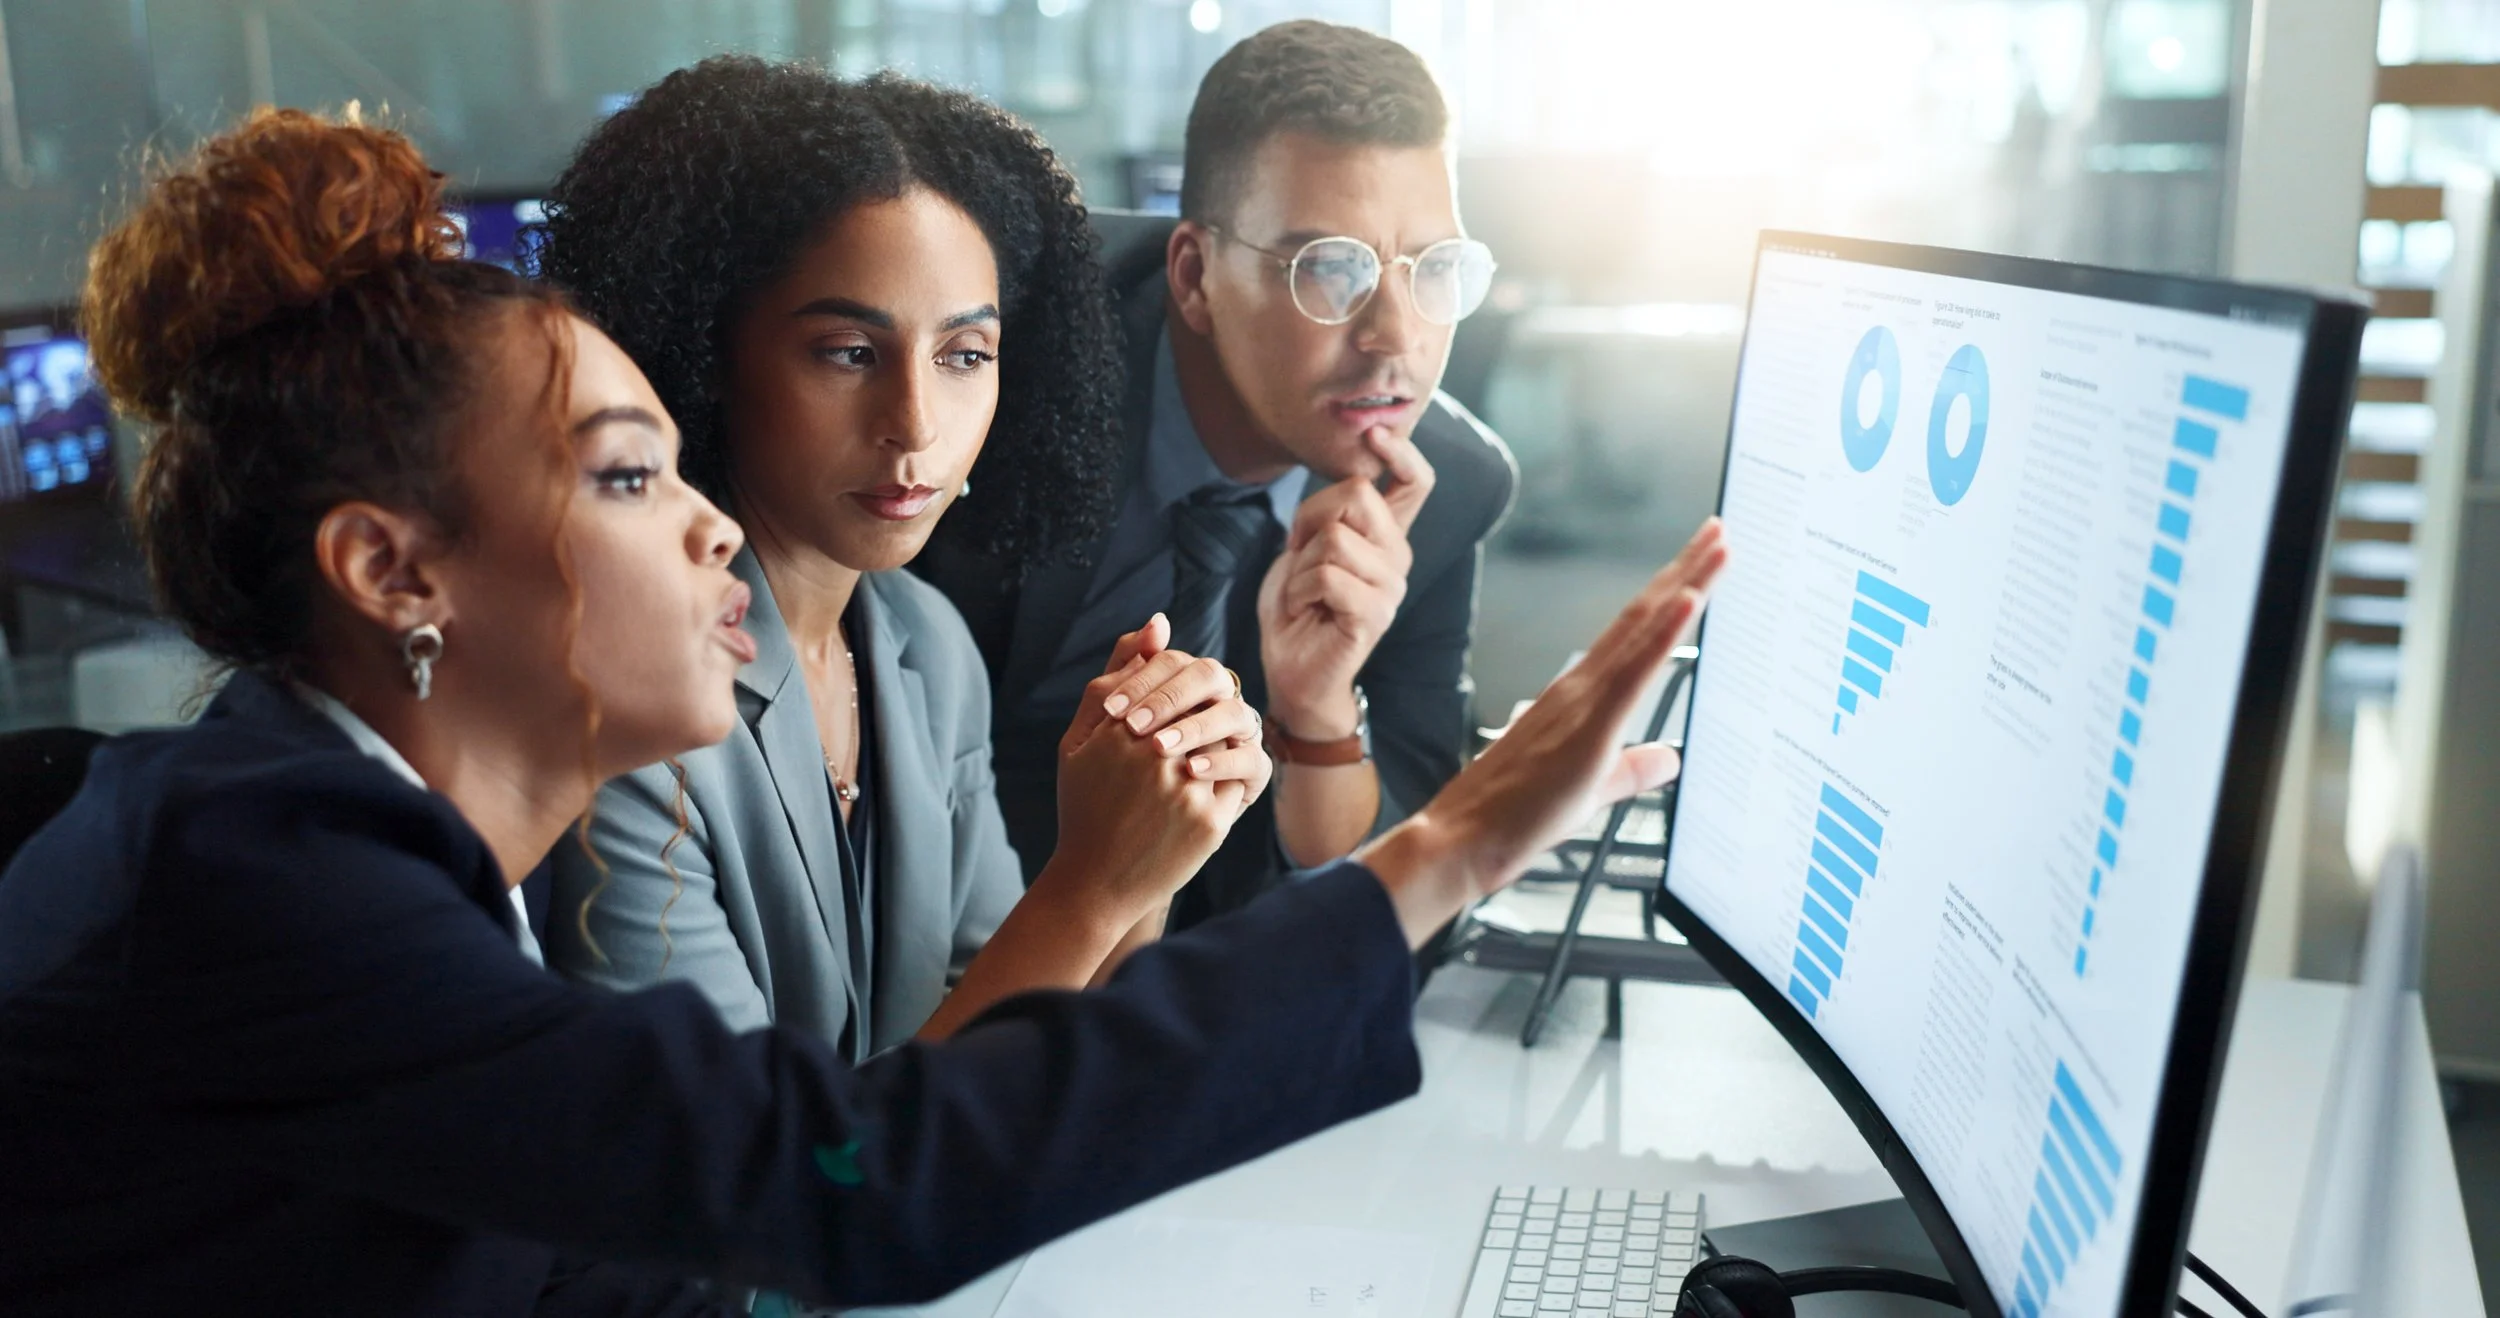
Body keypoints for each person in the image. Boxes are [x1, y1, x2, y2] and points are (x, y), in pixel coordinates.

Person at [0, 109, 1726, 1315]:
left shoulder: (355, 838)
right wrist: (1453, 842)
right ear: (394, 571)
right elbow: (845, 1178)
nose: (706, 521)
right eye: (624, 475)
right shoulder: (270, 873)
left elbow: (617, 1269)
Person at [531, 61, 1260, 1051]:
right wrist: (1088, 886)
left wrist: (1153, 841)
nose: (915, 424)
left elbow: (1009, 1048)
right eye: (848, 351)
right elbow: (768, 1175)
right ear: (702, 349)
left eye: (964, 356)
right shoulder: (623, 712)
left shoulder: (924, 644)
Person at [915, 19, 1520, 933]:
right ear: (1195, 275)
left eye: (1436, 268)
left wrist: (1318, 714)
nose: (1397, 336)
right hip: (932, 908)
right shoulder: (1007, 345)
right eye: (1333, 270)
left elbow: (1409, 876)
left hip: (1198, 962)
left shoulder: (1444, 486)